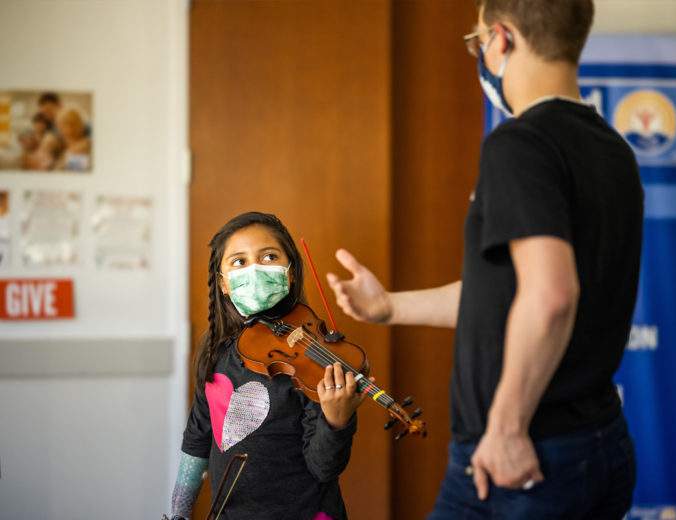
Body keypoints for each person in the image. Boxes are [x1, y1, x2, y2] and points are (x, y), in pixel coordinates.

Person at [326, 0, 643, 518]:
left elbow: (551, 296)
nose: (480, 54)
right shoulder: (613, 150)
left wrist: (506, 428)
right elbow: (505, 294)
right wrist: (389, 308)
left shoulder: (520, 143)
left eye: (477, 41)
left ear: (502, 38)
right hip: (596, 443)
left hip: (524, 461)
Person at [166, 212, 366, 520]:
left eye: (269, 256)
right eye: (239, 262)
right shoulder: (216, 349)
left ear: (291, 273)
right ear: (223, 284)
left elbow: (323, 467)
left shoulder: (312, 357)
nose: (255, 269)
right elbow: (197, 436)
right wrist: (178, 513)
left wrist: (336, 422)